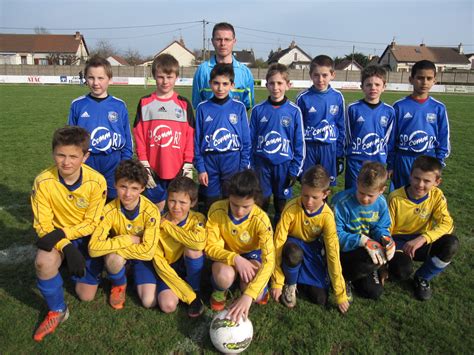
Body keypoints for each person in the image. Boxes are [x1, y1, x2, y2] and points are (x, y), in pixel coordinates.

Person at [32, 126, 107, 342]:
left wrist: (65, 235)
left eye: (73, 156)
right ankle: (57, 310)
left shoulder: (97, 181)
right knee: (43, 263)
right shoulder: (43, 181)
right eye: (60, 155)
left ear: (86, 156)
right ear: (53, 153)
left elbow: (92, 223)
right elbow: (43, 226)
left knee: (86, 296)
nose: (66, 162)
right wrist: (66, 246)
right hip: (56, 239)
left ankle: (84, 265)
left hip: (83, 236)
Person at [271, 165, 349, 313]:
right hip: (292, 246)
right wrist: (277, 282)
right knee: (293, 253)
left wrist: (340, 294)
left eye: (315, 197)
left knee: (320, 299)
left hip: (311, 249)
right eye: (305, 195)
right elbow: (278, 244)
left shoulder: (327, 216)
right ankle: (291, 283)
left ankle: (298, 275)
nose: (309, 201)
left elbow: (333, 253)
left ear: (326, 194)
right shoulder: (291, 208)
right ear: (301, 190)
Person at [88, 159, 160, 310]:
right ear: (115, 185)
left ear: (142, 188)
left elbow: (148, 253)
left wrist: (116, 244)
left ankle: (130, 272)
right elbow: (93, 248)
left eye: (134, 188)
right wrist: (128, 239)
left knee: (149, 302)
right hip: (124, 254)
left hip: (142, 259)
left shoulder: (151, 211)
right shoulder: (108, 210)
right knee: (113, 258)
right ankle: (119, 284)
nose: (128, 194)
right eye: (123, 187)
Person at [205, 170, 275, 322]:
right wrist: (235, 258)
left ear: (255, 201)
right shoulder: (217, 209)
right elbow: (210, 248)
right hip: (227, 254)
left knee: (256, 294)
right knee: (224, 276)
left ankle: (252, 288)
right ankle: (219, 290)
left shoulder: (261, 219)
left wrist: (248, 296)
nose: (239, 211)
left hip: (252, 255)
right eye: (235, 204)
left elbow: (269, 260)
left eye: (246, 206)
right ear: (228, 196)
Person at [388, 155, 458, 300]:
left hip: (421, 241)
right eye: (417, 178)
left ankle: (422, 277)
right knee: (402, 271)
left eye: (427, 181)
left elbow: (448, 224)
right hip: (398, 243)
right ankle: (394, 266)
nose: (420, 184)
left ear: (437, 182)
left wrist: (422, 238)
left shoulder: (437, 196)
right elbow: (386, 231)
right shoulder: (395, 198)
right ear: (410, 176)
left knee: (451, 244)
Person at [134, 53, 195, 212]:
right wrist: (143, 162)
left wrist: (188, 163)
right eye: (161, 77)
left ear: (176, 77)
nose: (165, 81)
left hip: (179, 168)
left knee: (178, 209)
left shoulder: (183, 103)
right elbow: (139, 135)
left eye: (169, 76)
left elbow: (190, 135)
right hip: (153, 169)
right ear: (154, 76)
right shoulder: (145, 102)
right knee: (156, 210)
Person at [68, 56, 133, 201]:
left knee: (114, 200)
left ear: (109, 79)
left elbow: (127, 137)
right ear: (85, 78)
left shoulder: (119, 105)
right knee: (86, 199)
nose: (96, 83)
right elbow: (70, 139)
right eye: (91, 78)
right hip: (87, 160)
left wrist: (125, 161)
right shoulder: (77, 105)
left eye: (100, 78)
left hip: (113, 161)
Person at [249, 63, 305, 225]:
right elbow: (250, 142)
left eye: (280, 83)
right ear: (266, 85)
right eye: (272, 83)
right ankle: (261, 236)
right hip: (262, 166)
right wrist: (251, 167)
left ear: (288, 85)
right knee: (262, 204)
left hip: (284, 166)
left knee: (282, 206)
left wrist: (295, 170)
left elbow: (299, 144)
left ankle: (279, 239)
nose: (276, 87)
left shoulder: (294, 111)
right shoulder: (258, 110)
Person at [331, 162, 395, 301]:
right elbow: (334, 235)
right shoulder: (340, 202)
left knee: (373, 292)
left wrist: (386, 239)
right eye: (361, 192)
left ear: (381, 190)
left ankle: (358, 275)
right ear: (357, 183)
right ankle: (343, 277)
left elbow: (381, 227)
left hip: (366, 250)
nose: (365, 198)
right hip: (343, 252)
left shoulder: (382, 203)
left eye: (370, 195)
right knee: (369, 261)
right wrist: (362, 240)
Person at [194, 63, 251, 213]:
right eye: (216, 83)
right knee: (210, 204)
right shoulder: (202, 108)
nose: (220, 88)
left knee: (231, 202)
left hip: (232, 162)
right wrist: (200, 168)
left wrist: (243, 167)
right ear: (210, 84)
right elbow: (196, 141)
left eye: (225, 84)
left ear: (232, 85)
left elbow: (246, 141)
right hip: (209, 163)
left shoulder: (239, 108)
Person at [388, 60, 450, 190]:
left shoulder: (438, 108)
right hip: (403, 159)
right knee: (401, 197)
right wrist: (391, 164)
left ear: (434, 81)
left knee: (423, 199)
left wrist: (438, 163)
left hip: (428, 159)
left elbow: (443, 138)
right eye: (420, 78)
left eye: (429, 78)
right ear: (411, 79)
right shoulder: (399, 106)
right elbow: (391, 139)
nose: (425, 82)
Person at [151, 176, 207, 317]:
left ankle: (196, 288)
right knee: (167, 305)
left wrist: (168, 226)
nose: (176, 207)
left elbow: (198, 243)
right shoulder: (157, 225)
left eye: (182, 202)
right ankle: (191, 294)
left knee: (193, 249)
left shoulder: (198, 218)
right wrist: (190, 297)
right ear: (167, 200)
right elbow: (159, 263)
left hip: (189, 262)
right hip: (170, 269)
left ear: (193, 202)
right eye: (172, 201)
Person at [296, 55, 345, 186]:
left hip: (329, 147)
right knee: (307, 183)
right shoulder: (302, 98)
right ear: (310, 75)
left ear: (332, 75)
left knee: (325, 184)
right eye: (316, 75)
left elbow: (341, 126)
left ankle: (324, 206)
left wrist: (339, 154)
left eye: (324, 75)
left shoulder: (337, 97)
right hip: (309, 147)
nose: (320, 79)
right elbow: (297, 129)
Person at [344, 65, 395, 190]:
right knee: (353, 194)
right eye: (369, 85)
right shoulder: (352, 108)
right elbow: (346, 136)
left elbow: (389, 141)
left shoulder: (389, 111)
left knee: (374, 195)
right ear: (362, 87)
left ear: (384, 87)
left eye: (377, 85)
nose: (373, 88)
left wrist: (390, 164)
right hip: (356, 162)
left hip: (378, 162)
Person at [192, 22, 254, 110]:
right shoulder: (202, 71)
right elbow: (197, 105)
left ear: (234, 41)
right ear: (212, 41)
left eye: (227, 39)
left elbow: (247, 106)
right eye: (218, 39)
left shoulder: (245, 72)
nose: (223, 43)